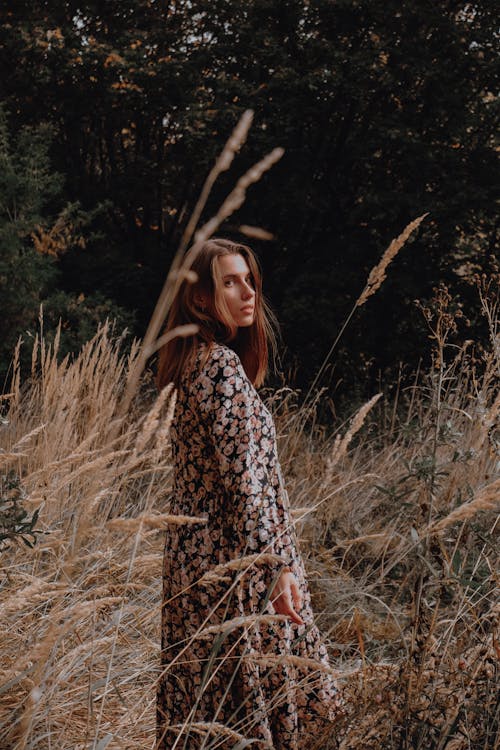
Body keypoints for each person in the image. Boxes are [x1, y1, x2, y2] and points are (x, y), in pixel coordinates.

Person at [155, 238, 343, 749]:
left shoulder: (193, 364)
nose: (248, 292)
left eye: (249, 280)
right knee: (262, 707)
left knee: (211, 709)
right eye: (230, 282)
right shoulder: (217, 366)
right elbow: (246, 483)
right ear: (200, 299)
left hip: (196, 566)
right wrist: (276, 565)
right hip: (235, 565)